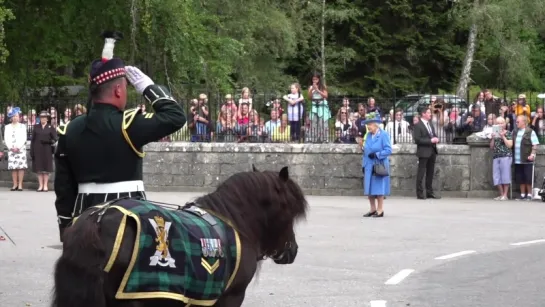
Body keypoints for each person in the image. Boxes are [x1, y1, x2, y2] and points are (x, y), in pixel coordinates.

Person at [54, 31, 186, 242]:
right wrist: (149, 88)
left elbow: (63, 188)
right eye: (126, 87)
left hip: (83, 217)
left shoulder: (69, 130)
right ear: (117, 90)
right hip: (128, 216)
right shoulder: (128, 124)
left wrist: (66, 228)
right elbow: (176, 117)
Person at [362, 112, 392, 218]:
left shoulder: (383, 135)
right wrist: (363, 165)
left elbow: (388, 150)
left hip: (379, 165)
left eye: (369, 124)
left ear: (375, 124)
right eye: (367, 125)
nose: (368, 126)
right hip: (369, 165)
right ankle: (372, 209)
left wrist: (377, 154)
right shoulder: (369, 135)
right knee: (369, 188)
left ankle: (380, 210)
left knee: (379, 188)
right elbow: (366, 150)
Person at [412, 106, 441, 199]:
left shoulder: (430, 124)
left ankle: (429, 192)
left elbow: (433, 134)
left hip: (432, 150)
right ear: (423, 114)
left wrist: (436, 138)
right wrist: (430, 141)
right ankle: (420, 193)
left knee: (430, 172)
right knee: (421, 172)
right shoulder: (418, 125)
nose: (430, 114)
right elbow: (417, 139)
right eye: (428, 112)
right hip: (424, 151)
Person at [512, 115, 539, 201]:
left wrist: (532, 154)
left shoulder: (530, 132)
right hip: (517, 159)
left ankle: (529, 194)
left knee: (528, 177)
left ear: (524, 122)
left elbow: (535, 144)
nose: (516, 123)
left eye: (518, 121)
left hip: (527, 158)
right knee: (520, 177)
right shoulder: (515, 131)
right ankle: (522, 194)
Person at [31, 111, 57, 192]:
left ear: (47, 118)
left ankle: (45, 185)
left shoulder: (50, 127)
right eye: (42, 117)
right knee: (39, 168)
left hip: (47, 149)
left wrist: (49, 141)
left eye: (45, 117)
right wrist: (32, 151)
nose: (43, 119)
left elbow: (55, 139)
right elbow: (32, 140)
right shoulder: (36, 127)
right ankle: (40, 185)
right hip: (37, 149)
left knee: (46, 169)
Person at [4, 107, 28, 191]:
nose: (15, 118)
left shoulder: (22, 126)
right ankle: (14, 184)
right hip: (11, 149)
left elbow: (24, 138)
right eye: (13, 116)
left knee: (20, 167)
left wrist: (18, 147)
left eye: (17, 116)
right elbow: (6, 138)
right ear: (11, 117)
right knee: (13, 168)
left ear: (19, 117)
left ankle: (20, 184)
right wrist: (10, 147)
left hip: (20, 149)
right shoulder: (7, 127)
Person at [490, 117, 512, 200]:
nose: (500, 125)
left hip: (506, 155)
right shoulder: (495, 134)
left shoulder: (508, 133)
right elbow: (491, 147)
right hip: (496, 156)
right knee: (496, 176)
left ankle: (505, 195)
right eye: (498, 123)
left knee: (505, 175)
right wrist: (492, 138)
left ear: (505, 124)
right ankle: (501, 194)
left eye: (501, 123)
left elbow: (509, 145)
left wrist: (503, 137)